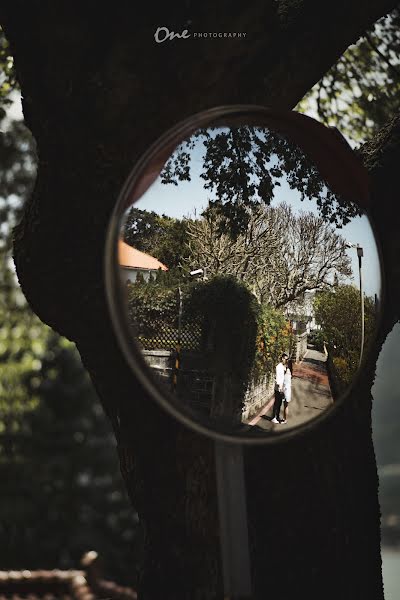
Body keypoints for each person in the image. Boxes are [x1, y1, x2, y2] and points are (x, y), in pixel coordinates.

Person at [271, 352, 288, 424]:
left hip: (282, 387)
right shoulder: (279, 366)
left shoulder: (284, 367)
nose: (286, 360)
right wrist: (280, 387)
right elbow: (278, 378)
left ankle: (277, 416)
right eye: (285, 359)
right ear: (282, 358)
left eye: (287, 359)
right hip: (278, 388)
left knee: (280, 403)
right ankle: (273, 417)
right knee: (277, 403)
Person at [281, 358, 293, 424]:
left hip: (286, 390)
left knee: (285, 406)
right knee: (286, 406)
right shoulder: (290, 371)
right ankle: (284, 418)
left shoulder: (286, 370)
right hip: (288, 390)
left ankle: (285, 420)